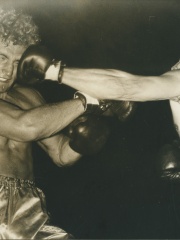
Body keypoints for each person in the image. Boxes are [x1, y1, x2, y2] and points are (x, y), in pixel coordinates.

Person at [0, 8, 136, 239]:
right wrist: (92, 99)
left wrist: (88, 134)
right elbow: (25, 127)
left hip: (28, 206)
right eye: (1, 57)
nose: (8, 70)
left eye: (16, 62)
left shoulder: (27, 97)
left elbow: (61, 154)